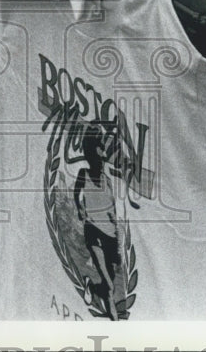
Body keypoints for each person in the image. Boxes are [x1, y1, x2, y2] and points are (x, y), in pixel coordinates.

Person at [73, 123, 121, 320]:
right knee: (109, 284)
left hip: (110, 235)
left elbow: (112, 210)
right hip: (93, 231)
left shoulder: (108, 181)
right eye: (99, 148)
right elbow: (76, 195)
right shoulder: (83, 174)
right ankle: (116, 324)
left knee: (109, 282)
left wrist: (117, 236)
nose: (102, 155)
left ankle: (91, 287)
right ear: (91, 151)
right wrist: (80, 209)